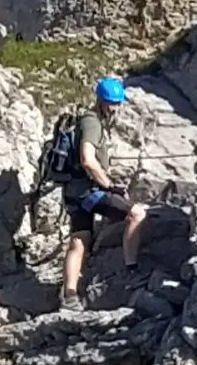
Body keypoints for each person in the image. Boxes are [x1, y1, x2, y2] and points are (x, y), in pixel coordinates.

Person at [59, 76, 148, 305]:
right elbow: (88, 160)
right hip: (89, 192)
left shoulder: (83, 121)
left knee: (79, 240)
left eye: (118, 103)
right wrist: (109, 186)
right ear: (102, 102)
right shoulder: (92, 123)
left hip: (72, 190)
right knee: (137, 213)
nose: (117, 108)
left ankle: (69, 296)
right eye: (114, 103)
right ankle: (131, 270)